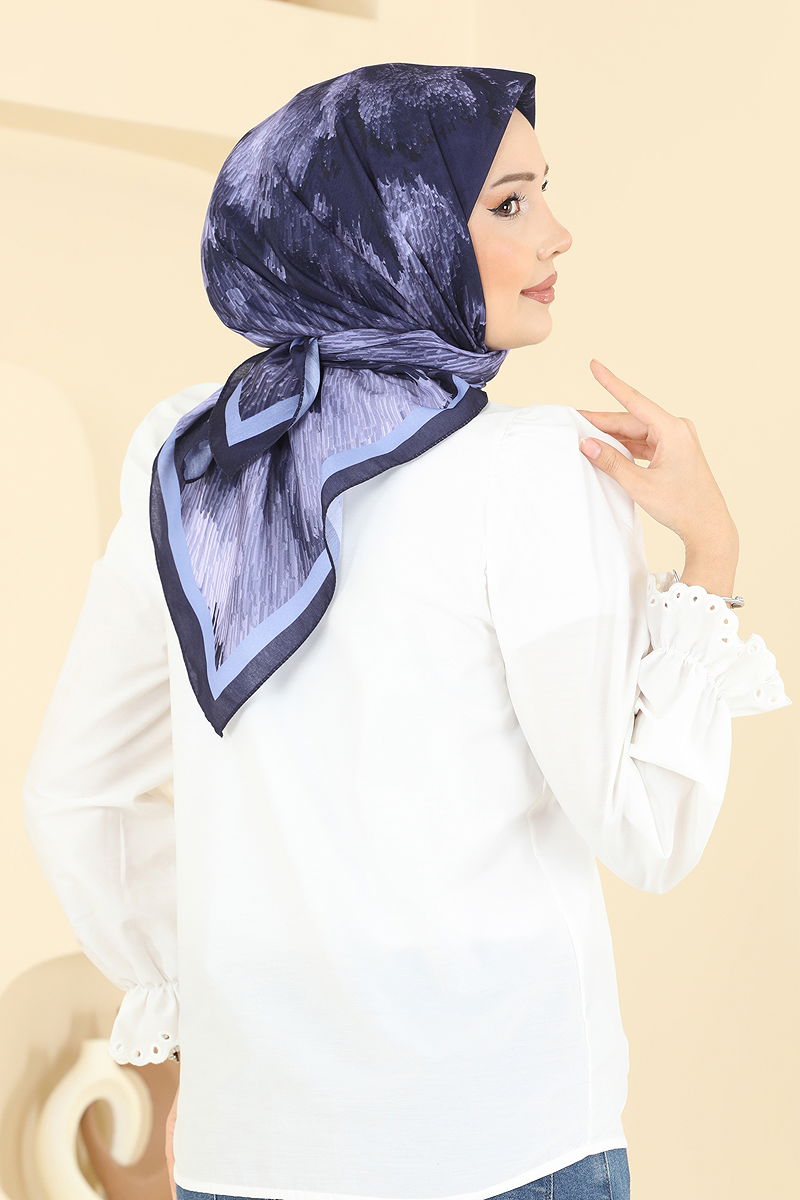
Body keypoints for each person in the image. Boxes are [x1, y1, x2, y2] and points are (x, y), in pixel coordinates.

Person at [22, 63, 790, 1200]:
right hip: (505, 1149)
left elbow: (77, 795)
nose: (558, 232)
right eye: (510, 202)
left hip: (253, 1154)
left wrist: (215, 1030)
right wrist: (710, 554)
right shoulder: (532, 472)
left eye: (543, 193)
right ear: (393, 232)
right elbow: (647, 831)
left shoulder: (190, 456)